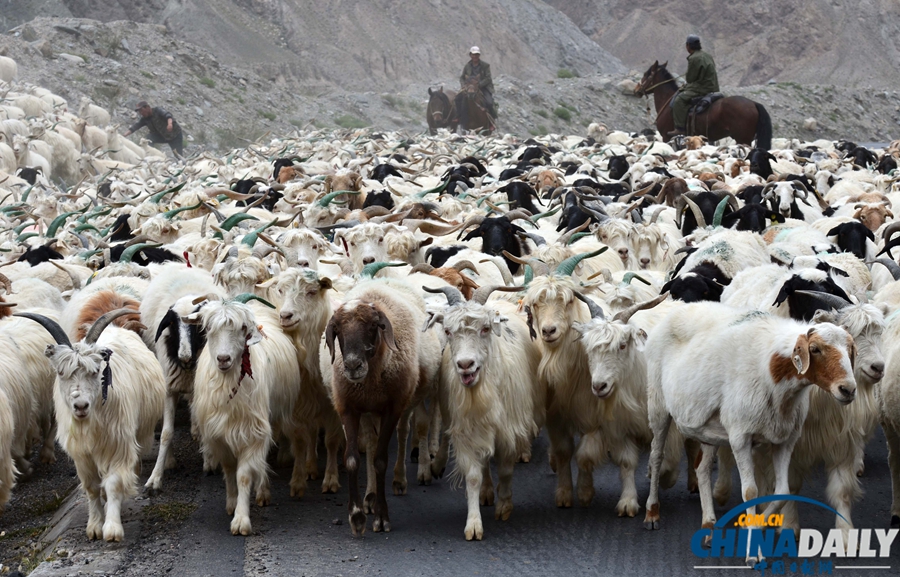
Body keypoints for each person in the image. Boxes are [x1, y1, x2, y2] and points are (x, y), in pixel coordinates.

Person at [669, 34, 719, 138]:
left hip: (702, 88)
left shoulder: (694, 58)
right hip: (713, 87)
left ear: (688, 45)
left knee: (679, 100)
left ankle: (680, 128)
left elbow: (691, 79)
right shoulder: (706, 55)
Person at [455, 46, 497, 124]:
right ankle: (458, 116)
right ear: (470, 55)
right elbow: (462, 77)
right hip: (470, 87)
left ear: (479, 55)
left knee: (489, 103)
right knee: (457, 98)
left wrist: (479, 85)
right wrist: (463, 85)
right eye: (473, 54)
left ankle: (491, 121)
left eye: (476, 54)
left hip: (483, 87)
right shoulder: (467, 66)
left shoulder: (485, 65)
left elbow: (488, 78)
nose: (475, 56)